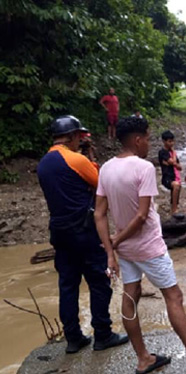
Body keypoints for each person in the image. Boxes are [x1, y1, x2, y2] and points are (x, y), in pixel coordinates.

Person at [94, 116, 186, 374]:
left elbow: (99, 214)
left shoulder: (106, 168)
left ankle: (144, 359)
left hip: (125, 251)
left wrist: (112, 247)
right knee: (174, 296)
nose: (148, 143)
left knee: (130, 296)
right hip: (148, 247)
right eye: (147, 138)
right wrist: (116, 241)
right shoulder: (144, 168)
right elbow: (143, 215)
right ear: (137, 140)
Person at [37, 115, 128, 354]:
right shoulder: (75, 159)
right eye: (80, 137)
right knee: (99, 282)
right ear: (73, 136)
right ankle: (103, 334)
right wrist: (90, 158)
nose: (82, 140)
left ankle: (73, 338)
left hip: (59, 231)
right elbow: (100, 183)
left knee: (68, 285)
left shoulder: (43, 163)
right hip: (84, 230)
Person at [158, 131, 182, 215]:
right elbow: (174, 162)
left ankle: (174, 206)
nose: (172, 143)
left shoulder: (170, 153)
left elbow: (179, 167)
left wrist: (173, 163)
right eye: (169, 141)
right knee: (176, 185)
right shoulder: (163, 152)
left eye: (172, 141)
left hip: (174, 176)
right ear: (164, 141)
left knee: (177, 187)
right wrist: (174, 155)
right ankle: (174, 209)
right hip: (167, 177)